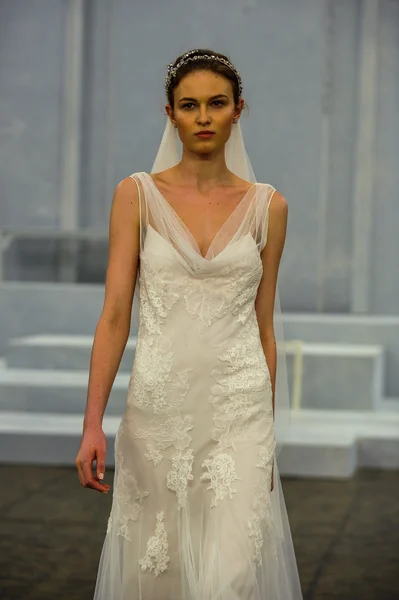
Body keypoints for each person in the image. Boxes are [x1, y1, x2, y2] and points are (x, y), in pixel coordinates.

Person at [76, 48, 303, 600]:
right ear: (170, 114)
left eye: (216, 104)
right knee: (161, 574)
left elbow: (264, 327)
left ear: (238, 110)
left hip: (239, 412)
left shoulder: (268, 207)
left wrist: (267, 433)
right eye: (190, 105)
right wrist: (91, 422)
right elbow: (113, 316)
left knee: (233, 578)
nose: (203, 117)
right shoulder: (137, 196)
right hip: (159, 414)